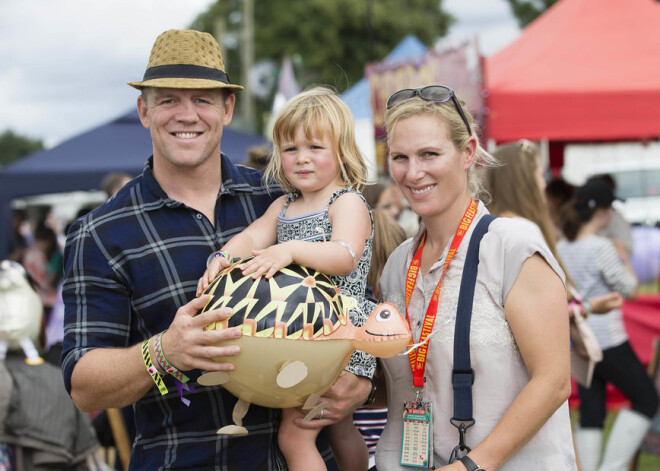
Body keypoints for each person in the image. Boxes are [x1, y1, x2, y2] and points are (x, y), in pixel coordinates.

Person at [61, 30, 360, 470]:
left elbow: (362, 298)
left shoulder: (284, 199)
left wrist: (358, 383)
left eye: (202, 100)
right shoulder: (101, 232)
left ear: (227, 108)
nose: (187, 115)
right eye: (168, 101)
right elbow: (84, 384)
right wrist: (162, 351)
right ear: (144, 111)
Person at [375, 85, 577, 470]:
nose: (413, 172)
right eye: (400, 157)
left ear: (467, 152)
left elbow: (553, 382)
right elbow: (407, 382)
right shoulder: (398, 265)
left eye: (429, 154)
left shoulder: (513, 247)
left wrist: (471, 466)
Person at [198, 87, 374, 471]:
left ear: (341, 151)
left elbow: (344, 256)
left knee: (296, 434)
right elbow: (251, 238)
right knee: (338, 426)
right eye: (291, 149)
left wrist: (290, 250)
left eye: (315, 147)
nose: (302, 159)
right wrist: (222, 257)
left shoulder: (346, 201)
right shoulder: (284, 205)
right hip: (305, 332)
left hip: (339, 332)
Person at [557, 179, 658, 471]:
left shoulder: (562, 247)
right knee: (646, 399)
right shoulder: (602, 247)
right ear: (602, 212)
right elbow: (630, 288)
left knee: (592, 410)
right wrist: (623, 257)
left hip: (579, 343)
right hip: (609, 341)